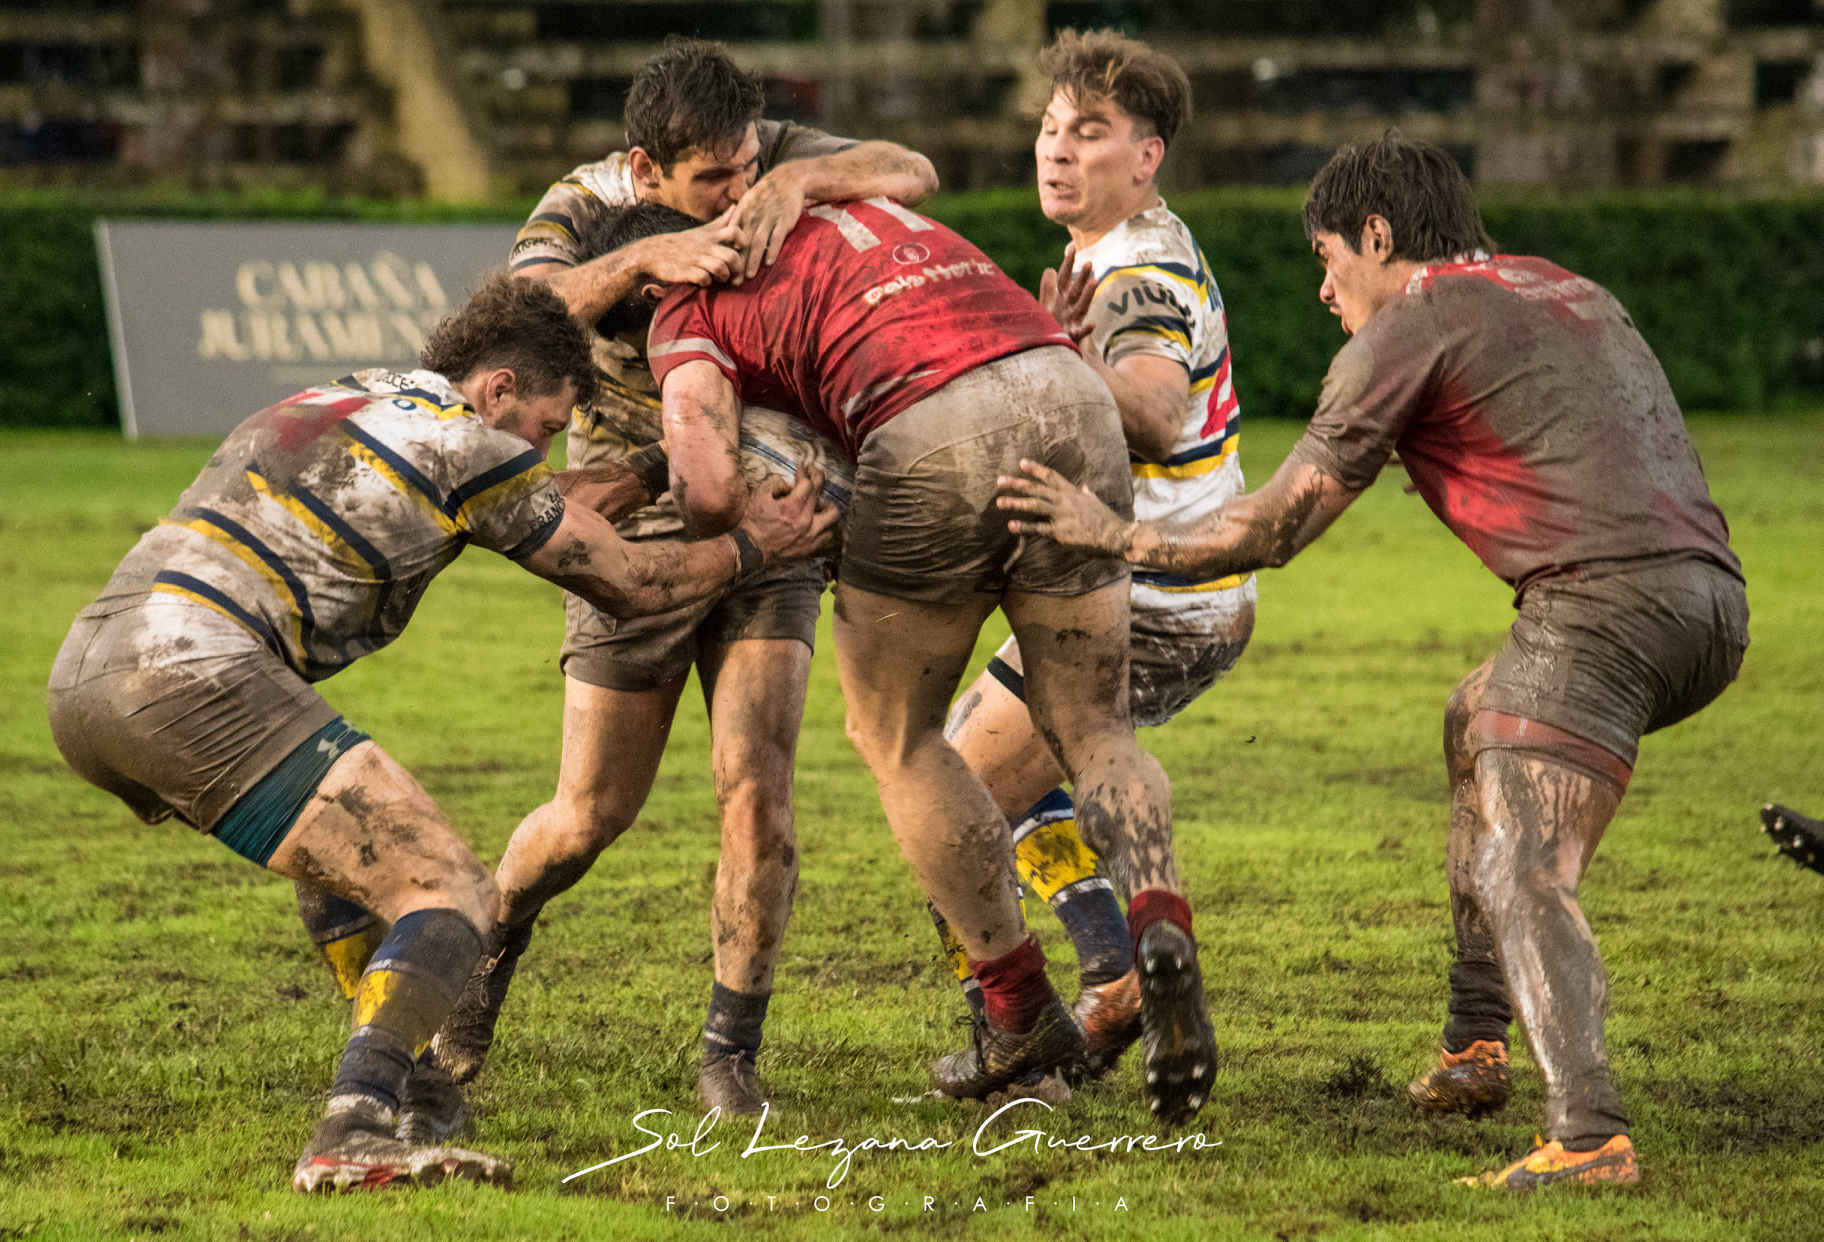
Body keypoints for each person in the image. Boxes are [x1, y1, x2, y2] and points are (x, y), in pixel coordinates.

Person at [996, 132, 1748, 1187]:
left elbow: (1266, 531)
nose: (1323, 288)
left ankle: (1589, 1136)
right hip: (1714, 602)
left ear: (1380, 236)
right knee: (1471, 719)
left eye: (1327, 258)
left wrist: (1107, 531)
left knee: (1523, 864)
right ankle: (1473, 1043)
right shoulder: (1563, 288)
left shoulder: (1412, 319)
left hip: (1600, 609)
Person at [46, 274, 834, 1193]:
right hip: (191, 671)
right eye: (542, 425)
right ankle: (355, 1126)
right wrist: (754, 548)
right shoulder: (470, 445)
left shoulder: (359, 395)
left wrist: (658, 466)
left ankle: (414, 1085)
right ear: (496, 388)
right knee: (453, 888)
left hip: (92, 675)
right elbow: (630, 584)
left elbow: (539, 504)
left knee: (347, 863)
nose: (540, 448)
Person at [392, 38, 936, 1119]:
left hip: (770, 512)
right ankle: (490, 952)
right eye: (710, 183)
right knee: (589, 815)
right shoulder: (581, 203)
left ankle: (729, 1055)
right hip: (633, 527)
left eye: (743, 170)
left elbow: (910, 169)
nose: (733, 199)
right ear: (645, 172)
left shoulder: (765, 157)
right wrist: (649, 261)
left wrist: (796, 177)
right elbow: (522, 313)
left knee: (759, 793)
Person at [605, 189, 1221, 1126]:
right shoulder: (840, 205)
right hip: (1062, 384)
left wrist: (741, 518)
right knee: (1093, 725)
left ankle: (1016, 1012)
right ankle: (1156, 922)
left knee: (897, 735)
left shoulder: (682, 304)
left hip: (934, 428)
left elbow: (706, 483)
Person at [927, 28, 1256, 1088]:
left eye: (1092, 132)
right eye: (1051, 126)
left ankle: (1021, 1021)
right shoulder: (1121, 252)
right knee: (1032, 777)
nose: (1057, 150)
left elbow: (1156, 412)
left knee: (944, 786)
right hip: (1196, 587)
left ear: (1147, 155)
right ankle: (1127, 961)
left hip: (1149, 583)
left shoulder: (1136, 273)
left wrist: (1054, 349)